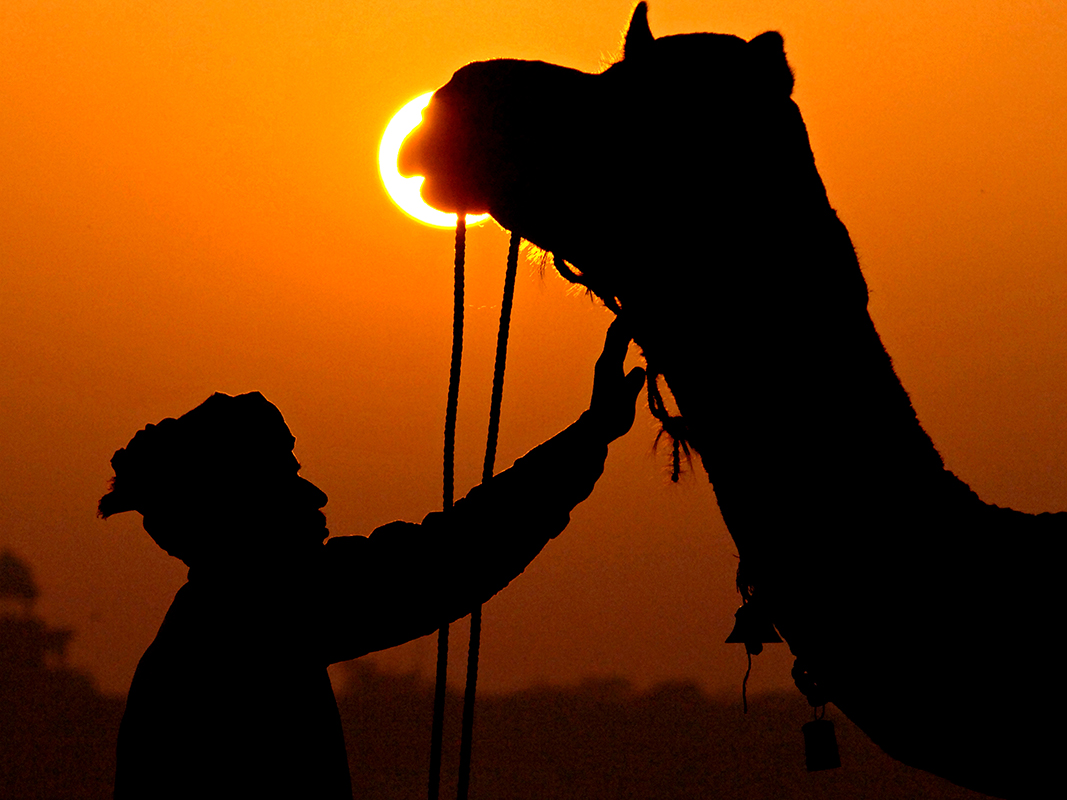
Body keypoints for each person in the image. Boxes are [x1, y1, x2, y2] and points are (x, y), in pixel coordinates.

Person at [99, 320, 645, 799]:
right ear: (240, 506)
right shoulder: (255, 618)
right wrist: (590, 435)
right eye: (286, 478)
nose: (316, 496)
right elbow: (443, 560)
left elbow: (437, 558)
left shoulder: (210, 626)